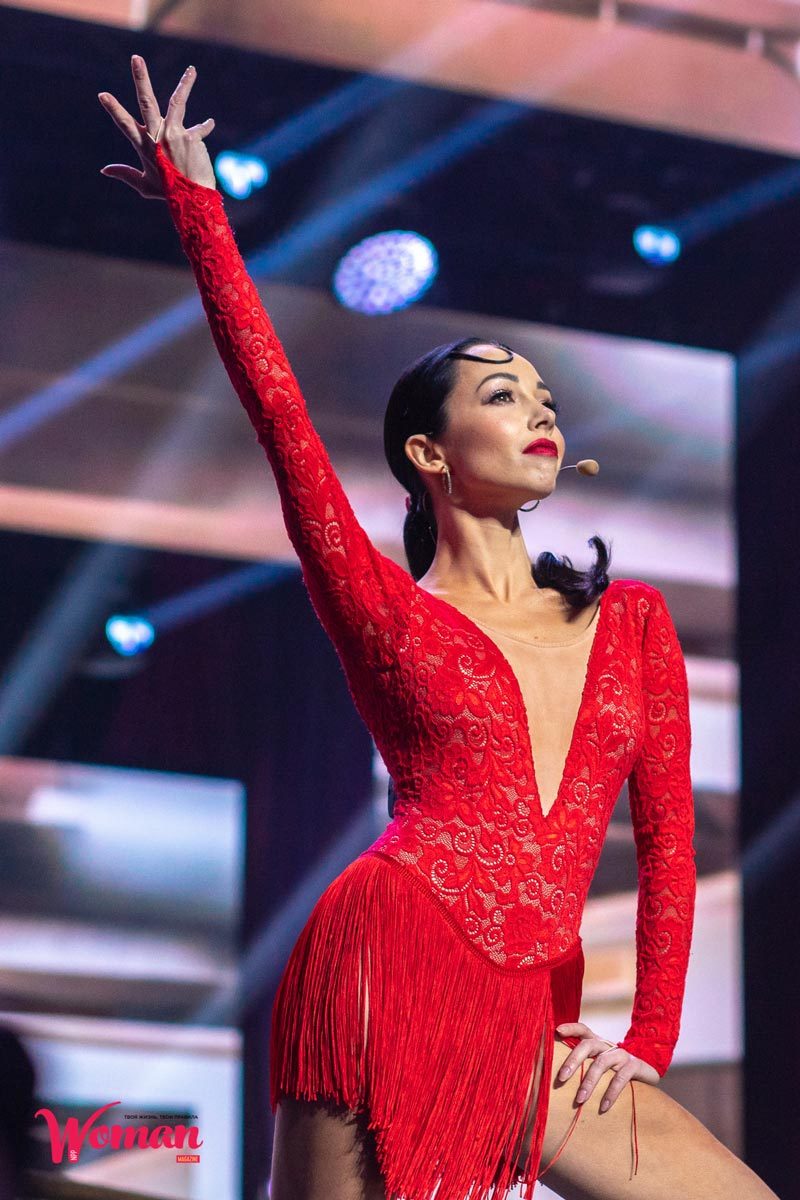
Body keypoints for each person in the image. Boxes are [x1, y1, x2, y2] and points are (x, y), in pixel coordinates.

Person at [97, 57, 779, 1200]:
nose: (538, 408)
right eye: (500, 394)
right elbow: (278, 414)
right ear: (427, 453)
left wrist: (647, 1040)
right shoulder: (384, 611)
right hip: (384, 967)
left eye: (543, 396)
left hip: (533, 1024)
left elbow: (667, 845)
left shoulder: (632, 623)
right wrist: (201, 216)